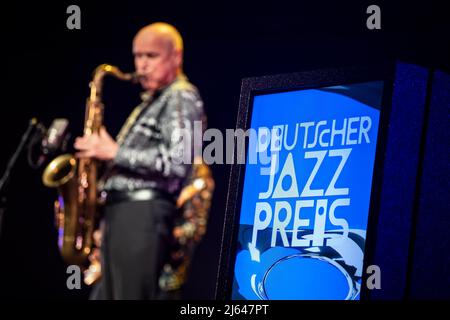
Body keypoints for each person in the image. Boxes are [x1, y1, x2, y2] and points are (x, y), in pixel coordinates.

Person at [74, 22, 205, 300]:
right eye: (138, 56)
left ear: (176, 57)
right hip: (123, 215)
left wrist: (114, 152)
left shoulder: (181, 95)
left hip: (142, 215)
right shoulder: (153, 101)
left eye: (151, 56)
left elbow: (178, 162)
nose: (142, 65)